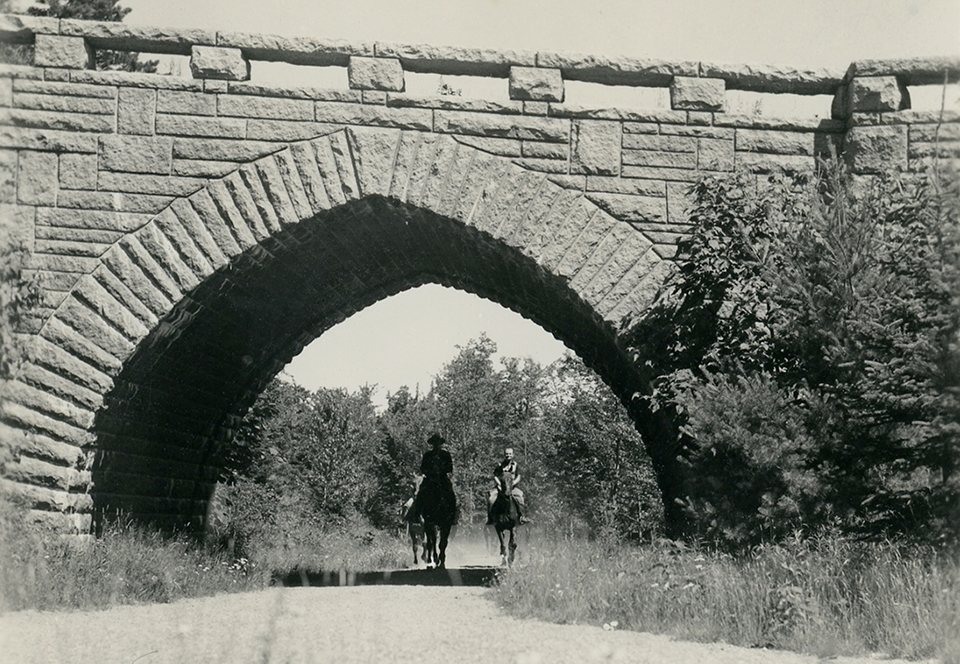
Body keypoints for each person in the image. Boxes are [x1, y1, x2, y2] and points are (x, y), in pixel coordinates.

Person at [411, 433, 455, 521]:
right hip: (430, 479)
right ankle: (417, 514)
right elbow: (423, 468)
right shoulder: (427, 455)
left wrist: (441, 471)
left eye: (437, 442)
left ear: (440, 443)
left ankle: (453, 514)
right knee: (421, 492)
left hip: (442, 478)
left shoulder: (445, 455)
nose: (436, 444)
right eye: (434, 442)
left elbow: (450, 468)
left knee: (450, 493)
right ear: (432, 444)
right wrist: (430, 472)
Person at [487, 447, 525, 524]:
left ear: (513, 455)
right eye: (507, 454)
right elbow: (495, 476)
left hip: (512, 488)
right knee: (491, 499)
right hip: (500, 488)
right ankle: (490, 518)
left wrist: (513, 483)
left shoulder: (515, 465)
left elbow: (519, 476)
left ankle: (521, 516)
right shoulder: (500, 465)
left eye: (510, 454)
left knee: (520, 498)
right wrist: (500, 484)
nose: (508, 455)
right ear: (504, 455)